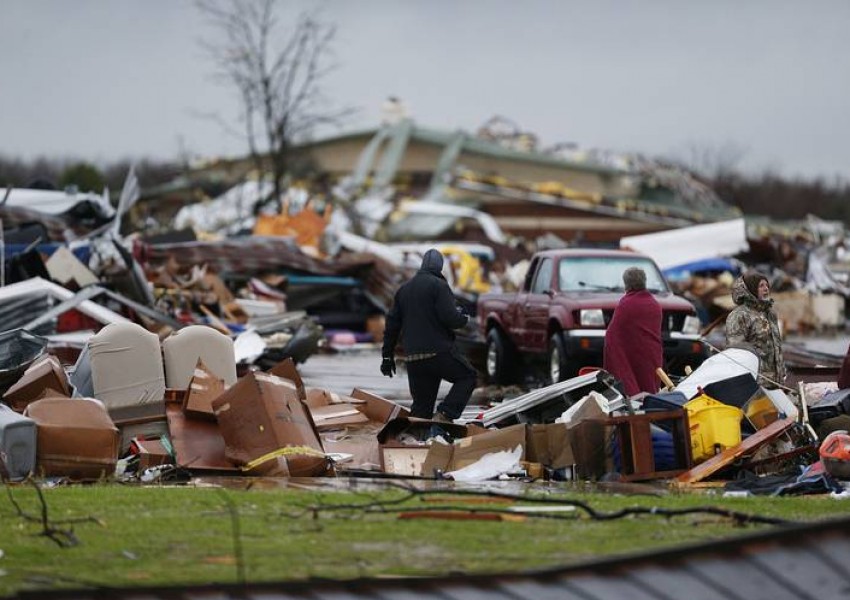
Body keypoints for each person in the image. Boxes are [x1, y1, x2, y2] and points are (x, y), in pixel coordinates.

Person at [380, 248, 477, 422]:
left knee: (421, 411)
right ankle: (445, 414)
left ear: (422, 265)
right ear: (440, 267)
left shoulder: (404, 290)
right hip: (439, 353)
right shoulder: (439, 286)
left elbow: (391, 326)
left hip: (415, 359)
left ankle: (417, 442)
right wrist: (463, 317)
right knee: (467, 377)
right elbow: (451, 319)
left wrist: (387, 357)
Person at [603, 267, 663, 396]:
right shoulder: (654, 304)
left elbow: (613, 334)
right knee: (650, 390)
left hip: (631, 356)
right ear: (644, 282)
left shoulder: (625, 304)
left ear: (626, 284)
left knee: (634, 392)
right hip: (651, 355)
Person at [725, 271, 786, 388]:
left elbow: (777, 347)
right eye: (761, 286)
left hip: (775, 381)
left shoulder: (770, 313)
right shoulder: (740, 315)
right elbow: (735, 350)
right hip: (755, 382)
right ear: (751, 289)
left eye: (767, 285)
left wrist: (781, 374)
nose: (766, 289)